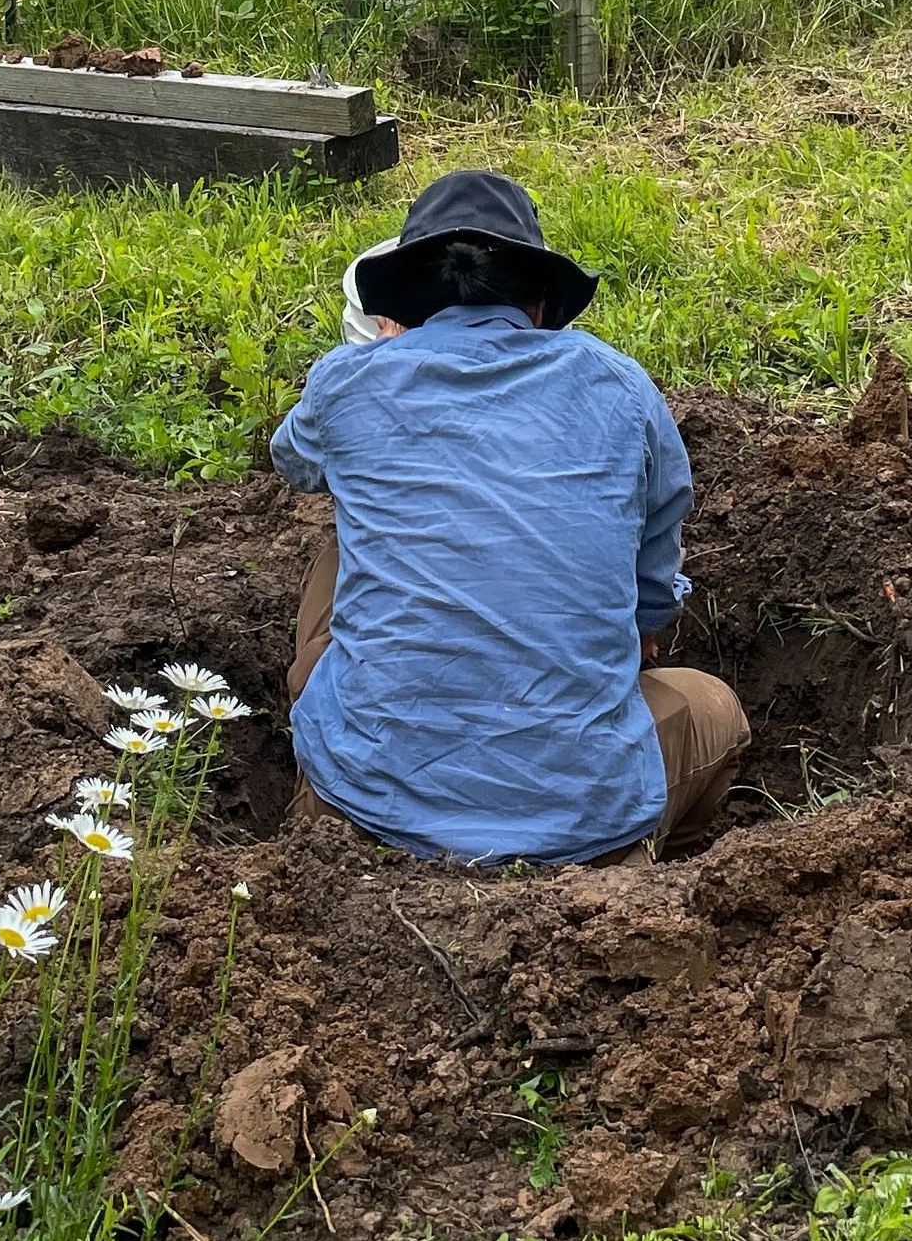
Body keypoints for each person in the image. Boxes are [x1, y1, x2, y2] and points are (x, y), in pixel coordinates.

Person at [272, 169, 752, 862]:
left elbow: (293, 461)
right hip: (585, 821)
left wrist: (382, 371)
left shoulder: (347, 382)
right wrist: (639, 637)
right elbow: (652, 586)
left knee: (340, 542)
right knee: (713, 709)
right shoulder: (621, 388)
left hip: (364, 805)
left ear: (403, 306)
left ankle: (329, 809)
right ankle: (642, 872)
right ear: (540, 303)